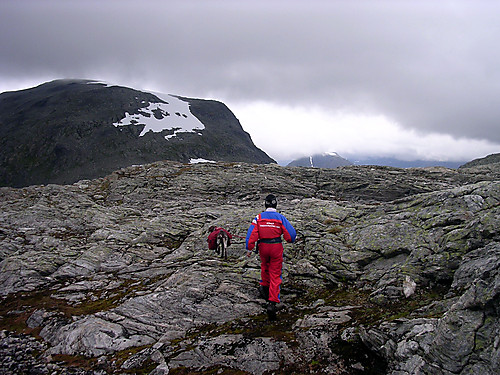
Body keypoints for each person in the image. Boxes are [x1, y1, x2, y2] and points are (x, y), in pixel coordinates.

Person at [245, 194, 296, 320]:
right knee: (275, 272)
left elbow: (251, 234)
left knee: (264, 267)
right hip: (276, 247)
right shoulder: (281, 218)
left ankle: (264, 288)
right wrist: (289, 240)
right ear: (275, 204)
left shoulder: (259, 217)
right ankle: (272, 302)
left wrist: (249, 248)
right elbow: (291, 235)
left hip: (263, 247)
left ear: (265, 205)